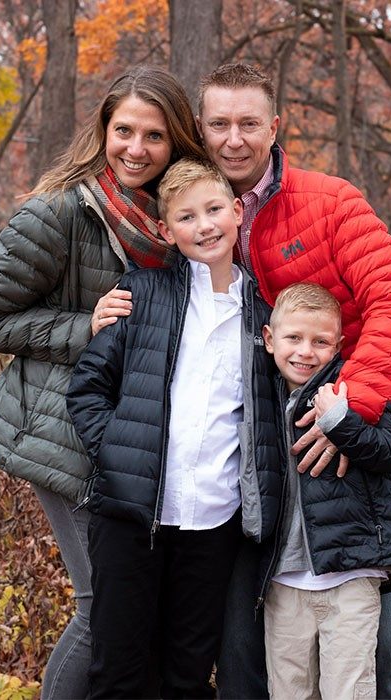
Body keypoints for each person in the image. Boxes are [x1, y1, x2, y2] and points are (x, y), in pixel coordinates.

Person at [92, 63, 391, 699]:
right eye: (219, 123)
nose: (234, 138)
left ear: (275, 127)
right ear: (201, 129)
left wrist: (346, 410)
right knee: (242, 644)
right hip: (245, 469)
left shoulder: (329, 203)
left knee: (375, 641)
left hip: (344, 449)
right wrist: (85, 320)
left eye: (250, 123)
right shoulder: (185, 209)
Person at [0, 66, 206, 699]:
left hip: (131, 439)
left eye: (154, 136)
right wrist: (83, 326)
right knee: (105, 612)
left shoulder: (177, 219)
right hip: (60, 430)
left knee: (137, 616)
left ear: (175, 142)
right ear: (103, 130)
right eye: (124, 130)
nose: (135, 149)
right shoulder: (60, 211)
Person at [65, 158, 281, 698]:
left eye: (213, 210)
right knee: (117, 670)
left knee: (186, 674)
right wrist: (116, 455)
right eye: (186, 217)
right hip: (131, 516)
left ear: (236, 213)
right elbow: (87, 387)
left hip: (213, 524)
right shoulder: (141, 294)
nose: (204, 225)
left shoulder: (264, 315)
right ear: (167, 230)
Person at [259, 282, 391, 700]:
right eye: (293, 338)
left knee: (348, 689)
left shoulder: (353, 390)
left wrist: (341, 423)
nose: (305, 352)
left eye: (320, 342)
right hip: (285, 578)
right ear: (270, 338)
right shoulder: (262, 395)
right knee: (289, 691)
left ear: (339, 345)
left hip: (350, 575)